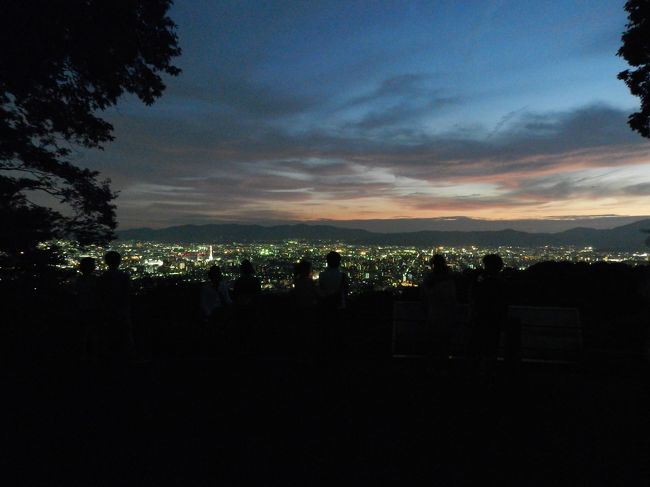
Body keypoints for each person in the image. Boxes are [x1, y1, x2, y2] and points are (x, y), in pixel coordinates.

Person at [469, 253, 508, 376]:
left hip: (479, 319)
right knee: (491, 349)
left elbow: (473, 297)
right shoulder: (500, 283)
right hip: (493, 321)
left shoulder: (480, 281)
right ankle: (488, 373)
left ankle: (478, 373)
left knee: (479, 349)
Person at [421, 254, 457, 367]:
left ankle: (431, 367)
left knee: (431, 344)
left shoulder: (430, 280)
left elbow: (425, 294)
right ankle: (443, 366)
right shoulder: (451, 279)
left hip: (433, 315)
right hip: (448, 317)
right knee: (444, 344)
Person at [98, 251, 135, 360]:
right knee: (125, 334)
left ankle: (108, 357)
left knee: (108, 334)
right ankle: (128, 357)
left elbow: (100, 294)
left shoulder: (102, 277)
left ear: (106, 262)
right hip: (122, 309)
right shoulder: (124, 276)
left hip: (107, 309)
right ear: (119, 261)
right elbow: (128, 291)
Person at [73, 257, 101, 361]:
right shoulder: (95, 280)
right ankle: (94, 355)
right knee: (94, 333)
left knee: (83, 333)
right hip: (93, 309)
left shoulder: (78, 280)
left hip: (81, 308)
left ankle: (82, 354)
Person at [292, 260, 319, 352]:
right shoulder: (309, 282)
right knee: (308, 330)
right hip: (309, 308)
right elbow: (315, 293)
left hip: (299, 308)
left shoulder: (297, 281)